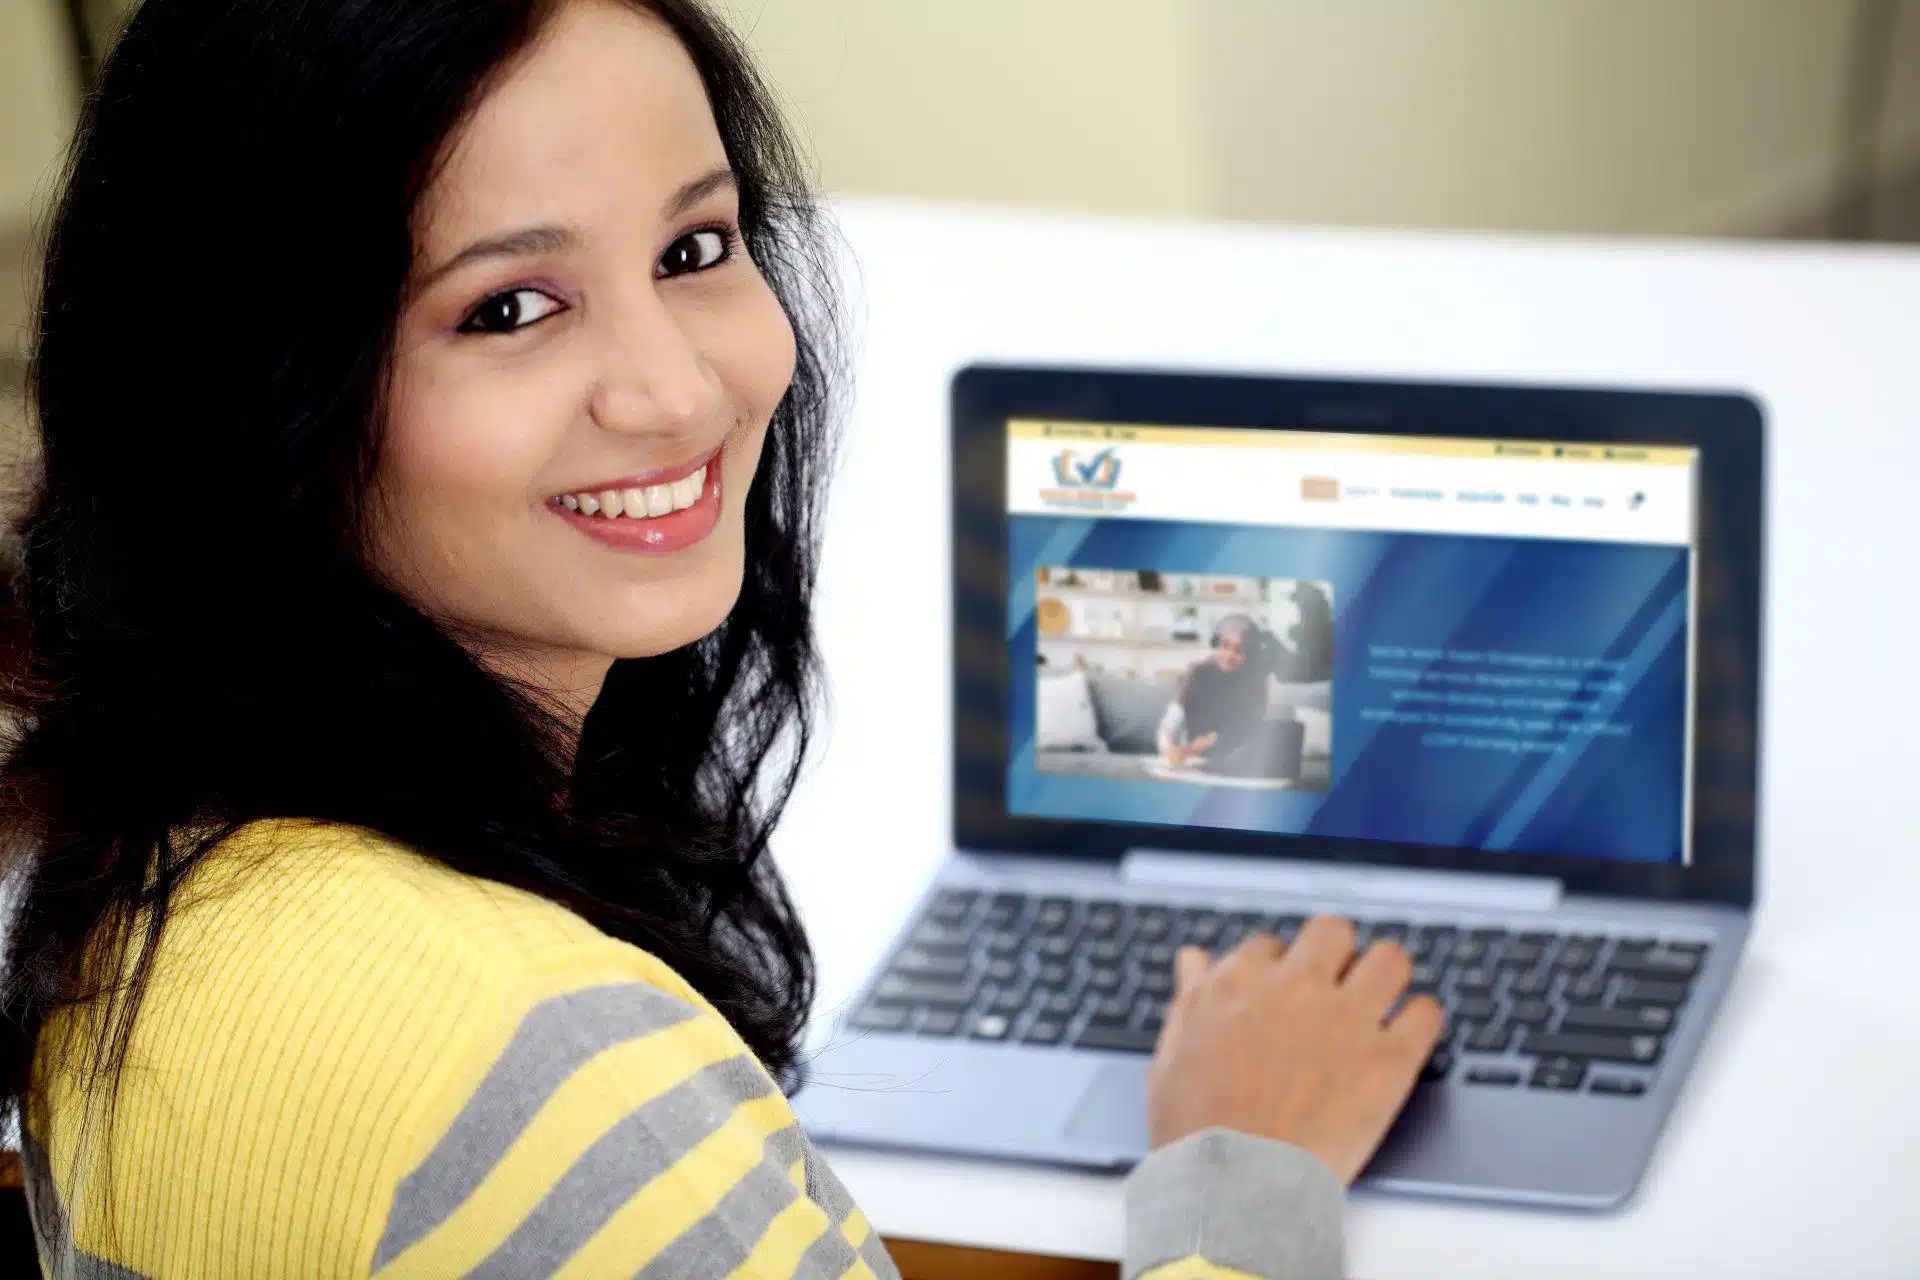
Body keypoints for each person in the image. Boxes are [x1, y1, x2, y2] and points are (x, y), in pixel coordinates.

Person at [0, 2, 1442, 1277]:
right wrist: (1248, 1174)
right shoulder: (538, 1055)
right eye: (509, 307)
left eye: (696, 247)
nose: (679, 390)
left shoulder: (146, 881)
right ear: (260, 398)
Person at [1157, 612, 1299, 777]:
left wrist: (1192, 749)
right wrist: (1168, 748)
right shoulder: (1197, 672)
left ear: (1250, 655)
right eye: (1224, 646)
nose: (1229, 655)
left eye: (1239, 651)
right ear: (1216, 644)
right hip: (1199, 757)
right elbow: (1170, 721)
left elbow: (1246, 726)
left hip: (1235, 753)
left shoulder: (1255, 680)